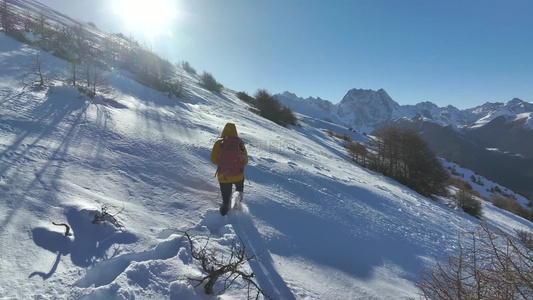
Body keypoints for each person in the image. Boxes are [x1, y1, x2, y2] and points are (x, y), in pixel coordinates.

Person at [210, 123, 248, 216]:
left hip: (224, 175)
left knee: (226, 195)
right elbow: (245, 161)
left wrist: (223, 163)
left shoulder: (219, 143)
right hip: (238, 175)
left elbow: (213, 160)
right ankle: (237, 205)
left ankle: (225, 208)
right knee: (239, 189)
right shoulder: (240, 143)